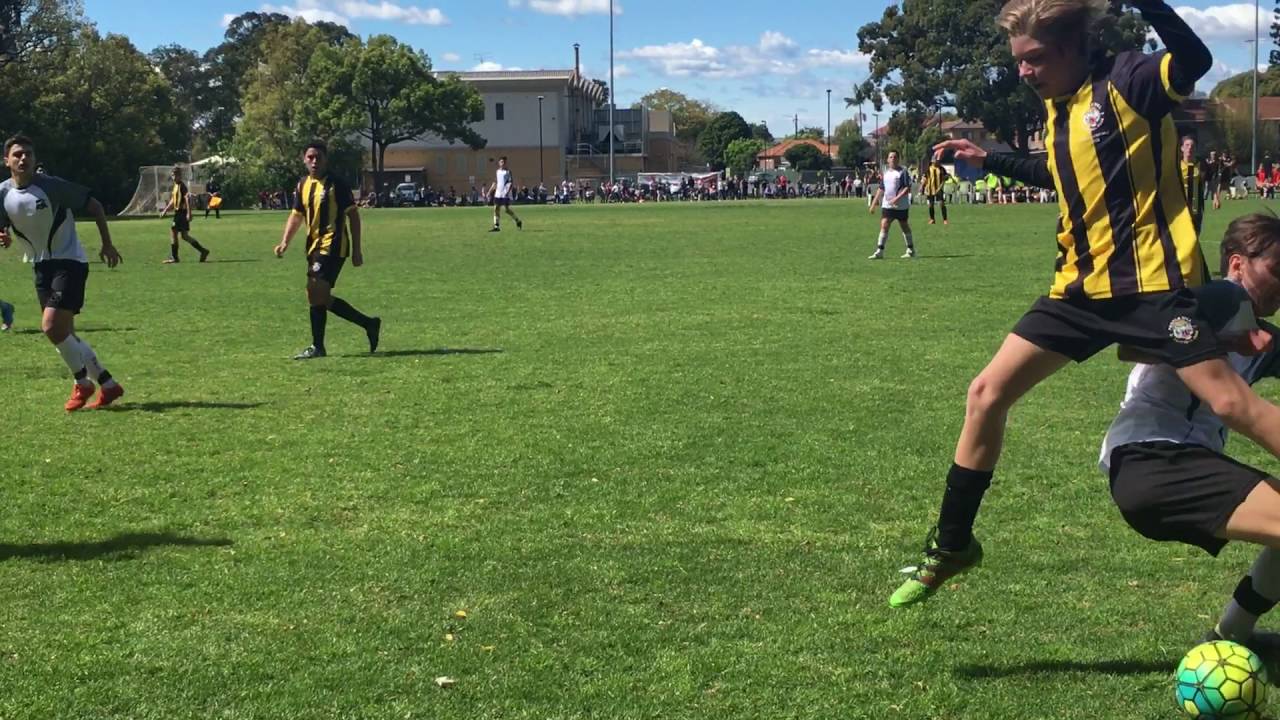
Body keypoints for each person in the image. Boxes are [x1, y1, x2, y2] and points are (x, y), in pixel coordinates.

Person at [885, 0, 1280, 609]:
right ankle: (953, 545)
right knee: (986, 393)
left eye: (1035, 58)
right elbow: (1063, 173)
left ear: (1074, 48)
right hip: (1078, 290)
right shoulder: (1057, 107)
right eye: (1019, 60)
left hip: (1152, 288)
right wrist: (986, 158)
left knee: (1229, 401)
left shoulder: (1130, 80)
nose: (1024, 71)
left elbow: (1194, 59)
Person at [1102, 214, 1280, 666]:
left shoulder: (1261, 333)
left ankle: (1232, 633)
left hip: (1163, 467)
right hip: (1156, 459)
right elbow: (1131, 341)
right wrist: (1213, 340)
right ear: (1238, 264)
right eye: (1276, 270)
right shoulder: (1224, 296)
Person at [0, 135, 124, 410]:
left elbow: (95, 206)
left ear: (34, 159)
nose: (23, 158)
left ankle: (82, 383)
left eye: (28, 154)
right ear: (6, 160)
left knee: (51, 327)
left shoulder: (52, 187)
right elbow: (3, 224)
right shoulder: (2, 193)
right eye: (18, 154)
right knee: (65, 334)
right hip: (40, 265)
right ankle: (108, 385)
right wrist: (2, 235)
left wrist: (107, 244)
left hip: (69, 262)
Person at [274, 141, 381, 360]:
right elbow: (296, 215)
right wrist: (285, 241)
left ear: (326, 159)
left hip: (333, 244)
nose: (314, 161)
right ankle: (368, 324)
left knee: (315, 289)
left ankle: (318, 347)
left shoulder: (336, 184)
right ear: (304, 159)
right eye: (310, 157)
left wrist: (357, 250)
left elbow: (353, 215)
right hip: (313, 246)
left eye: (318, 157)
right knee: (317, 295)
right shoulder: (302, 184)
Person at [867, 151, 915, 259]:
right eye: (890, 157)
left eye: (895, 157)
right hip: (887, 205)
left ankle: (911, 249)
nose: (893, 158)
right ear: (887, 160)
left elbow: (907, 188)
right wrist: (874, 203)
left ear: (898, 159)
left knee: (904, 226)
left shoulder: (903, 172)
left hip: (901, 205)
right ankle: (880, 251)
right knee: (884, 224)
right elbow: (881, 188)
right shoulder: (886, 173)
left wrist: (896, 199)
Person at [159, 166, 210, 263]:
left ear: (180, 176)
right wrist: (165, 210)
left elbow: (187, 198)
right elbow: (173, 201)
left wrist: (189, 213)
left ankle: (174, 257)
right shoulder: (175, 186)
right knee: (184, 236)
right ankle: (203, 251)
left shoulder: (182, 186)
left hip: (181, 213)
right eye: (173, 175)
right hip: (179, 213)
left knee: (173, 232)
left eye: (176, 175)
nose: (174, 177)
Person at [488, 156, 523, 232]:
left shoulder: (507, 172)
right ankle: (496, 226)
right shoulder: (497, 172)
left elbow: (510, 183)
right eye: (501, 162)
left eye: (504, 162)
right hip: (498, 193)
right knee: (496, 209)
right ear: (499, 163)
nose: (503, 163)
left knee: (507, 210)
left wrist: (507, 192)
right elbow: (495, 183)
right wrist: (489, 191)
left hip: (504, 194)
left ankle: (518, 221)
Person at [1180, 136, 1206, 235]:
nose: (1189, 148)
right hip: (1180, 212)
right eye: (1187, 145)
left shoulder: (1200, 165)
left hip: (1196, 211)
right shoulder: (1176, 166)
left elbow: (1211, 179)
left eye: (1192, 146)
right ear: (1182, 148)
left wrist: (1216, 196)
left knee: (1194, 240)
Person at [924, 157, 950, 225]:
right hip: (930, 189)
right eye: (936, 160)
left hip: (939, 189)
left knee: (941, 204)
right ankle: (932, 219)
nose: (937, 161)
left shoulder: (941, 169)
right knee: (930, 205)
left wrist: (940, 187)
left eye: (938, 160)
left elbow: (945, 178)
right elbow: (925, 179)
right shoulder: (928, 169)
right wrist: (923, 187)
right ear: (932, 161)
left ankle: (945, 219)